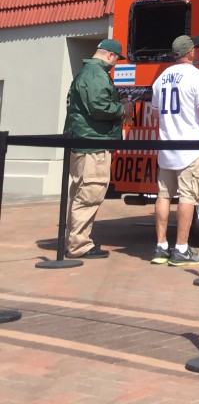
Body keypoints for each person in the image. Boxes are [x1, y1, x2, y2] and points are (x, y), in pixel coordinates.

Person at [64, 38, 133, 259]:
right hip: (94, 144)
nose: (115, 65)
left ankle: (75, 240)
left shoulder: (86, 72)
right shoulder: (96, 74)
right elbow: (99, 107)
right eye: (116, 60)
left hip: (83, 142)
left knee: (80, 193)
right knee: (90, 193)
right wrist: (123, 108)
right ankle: (79, 245)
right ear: (110, 55)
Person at [151, 34, 199, 266]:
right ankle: (181, 249)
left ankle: (160, 247)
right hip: (191, 148)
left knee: (163, 195)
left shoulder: (160, 79)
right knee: (188, 197)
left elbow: (156, 113)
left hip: (166, 148)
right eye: (194, 48)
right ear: (189, 53)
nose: (195, 51)